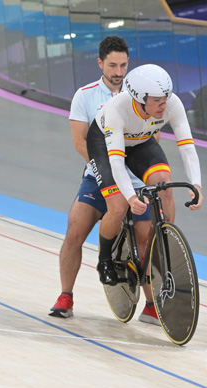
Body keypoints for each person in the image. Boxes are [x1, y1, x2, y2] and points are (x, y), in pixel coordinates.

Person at [49, 36, 159, 325]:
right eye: (112, 65)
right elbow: (79, 142)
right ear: (100, 63)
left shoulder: (142, 95)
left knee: (145, 241)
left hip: (135, 180)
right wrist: (109, 169)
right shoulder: (84, 95)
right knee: (74, 230)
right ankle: (65, 295)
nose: (119, 72)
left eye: (123, 65)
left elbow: (153, 139)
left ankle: (151, 303)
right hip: (99, 177)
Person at [85, 64, 203, 287]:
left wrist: (196, 184)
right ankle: (104, 260)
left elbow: (187, 147)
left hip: (140, 141)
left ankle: (162, 242)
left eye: (165, 98)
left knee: (163, 183)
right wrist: (130, 197)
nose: (163, 105)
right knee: (118, 206)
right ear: (139, 99)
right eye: (157, 101)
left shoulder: (172, 104)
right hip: (105, 144)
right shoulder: (116, 109)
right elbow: (117, 161)